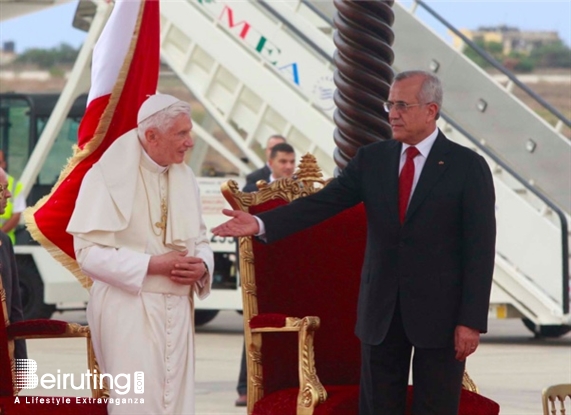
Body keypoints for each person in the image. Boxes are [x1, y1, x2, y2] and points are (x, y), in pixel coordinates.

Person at [213, 70, 496, 415]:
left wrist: (471, 320)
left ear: (431, 110)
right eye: (390, 104)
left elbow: (480, 249)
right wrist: (260, 222)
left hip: (441, 318)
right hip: (381, 313)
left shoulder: (467, 166)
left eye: (402, 105)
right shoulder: (372, 159)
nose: (392, 113)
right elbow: (323, 203)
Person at [67, 94, 213, 415]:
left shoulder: (185, 177)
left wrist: (201, 266)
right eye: (182, 134)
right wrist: (152, 264)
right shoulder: (105, 176)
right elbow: (88, 254)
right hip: (128, 307)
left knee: (177, 403)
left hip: (178, 307)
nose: (190, 142)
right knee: (136, 405)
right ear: (151, 135)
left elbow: (200, 239)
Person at [236, 143, 296, 407]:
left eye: (292, 161)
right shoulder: (251, 192)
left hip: (291, 266)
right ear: (270, 163)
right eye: (283, 161)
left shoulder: (302, 191)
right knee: (255, 327)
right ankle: (245, 387)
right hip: (260, 267)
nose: (289, 167)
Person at [0, 167, 27, 361]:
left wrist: (21, 365)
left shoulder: (4, 241)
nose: (9, 194)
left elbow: (15, 308)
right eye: (4, 188)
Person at [0, 150, 26, 245]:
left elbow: (16, 216)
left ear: (4, 164)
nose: (8, 194)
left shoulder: (15, 185)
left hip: (6, 242)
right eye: (3, 189)